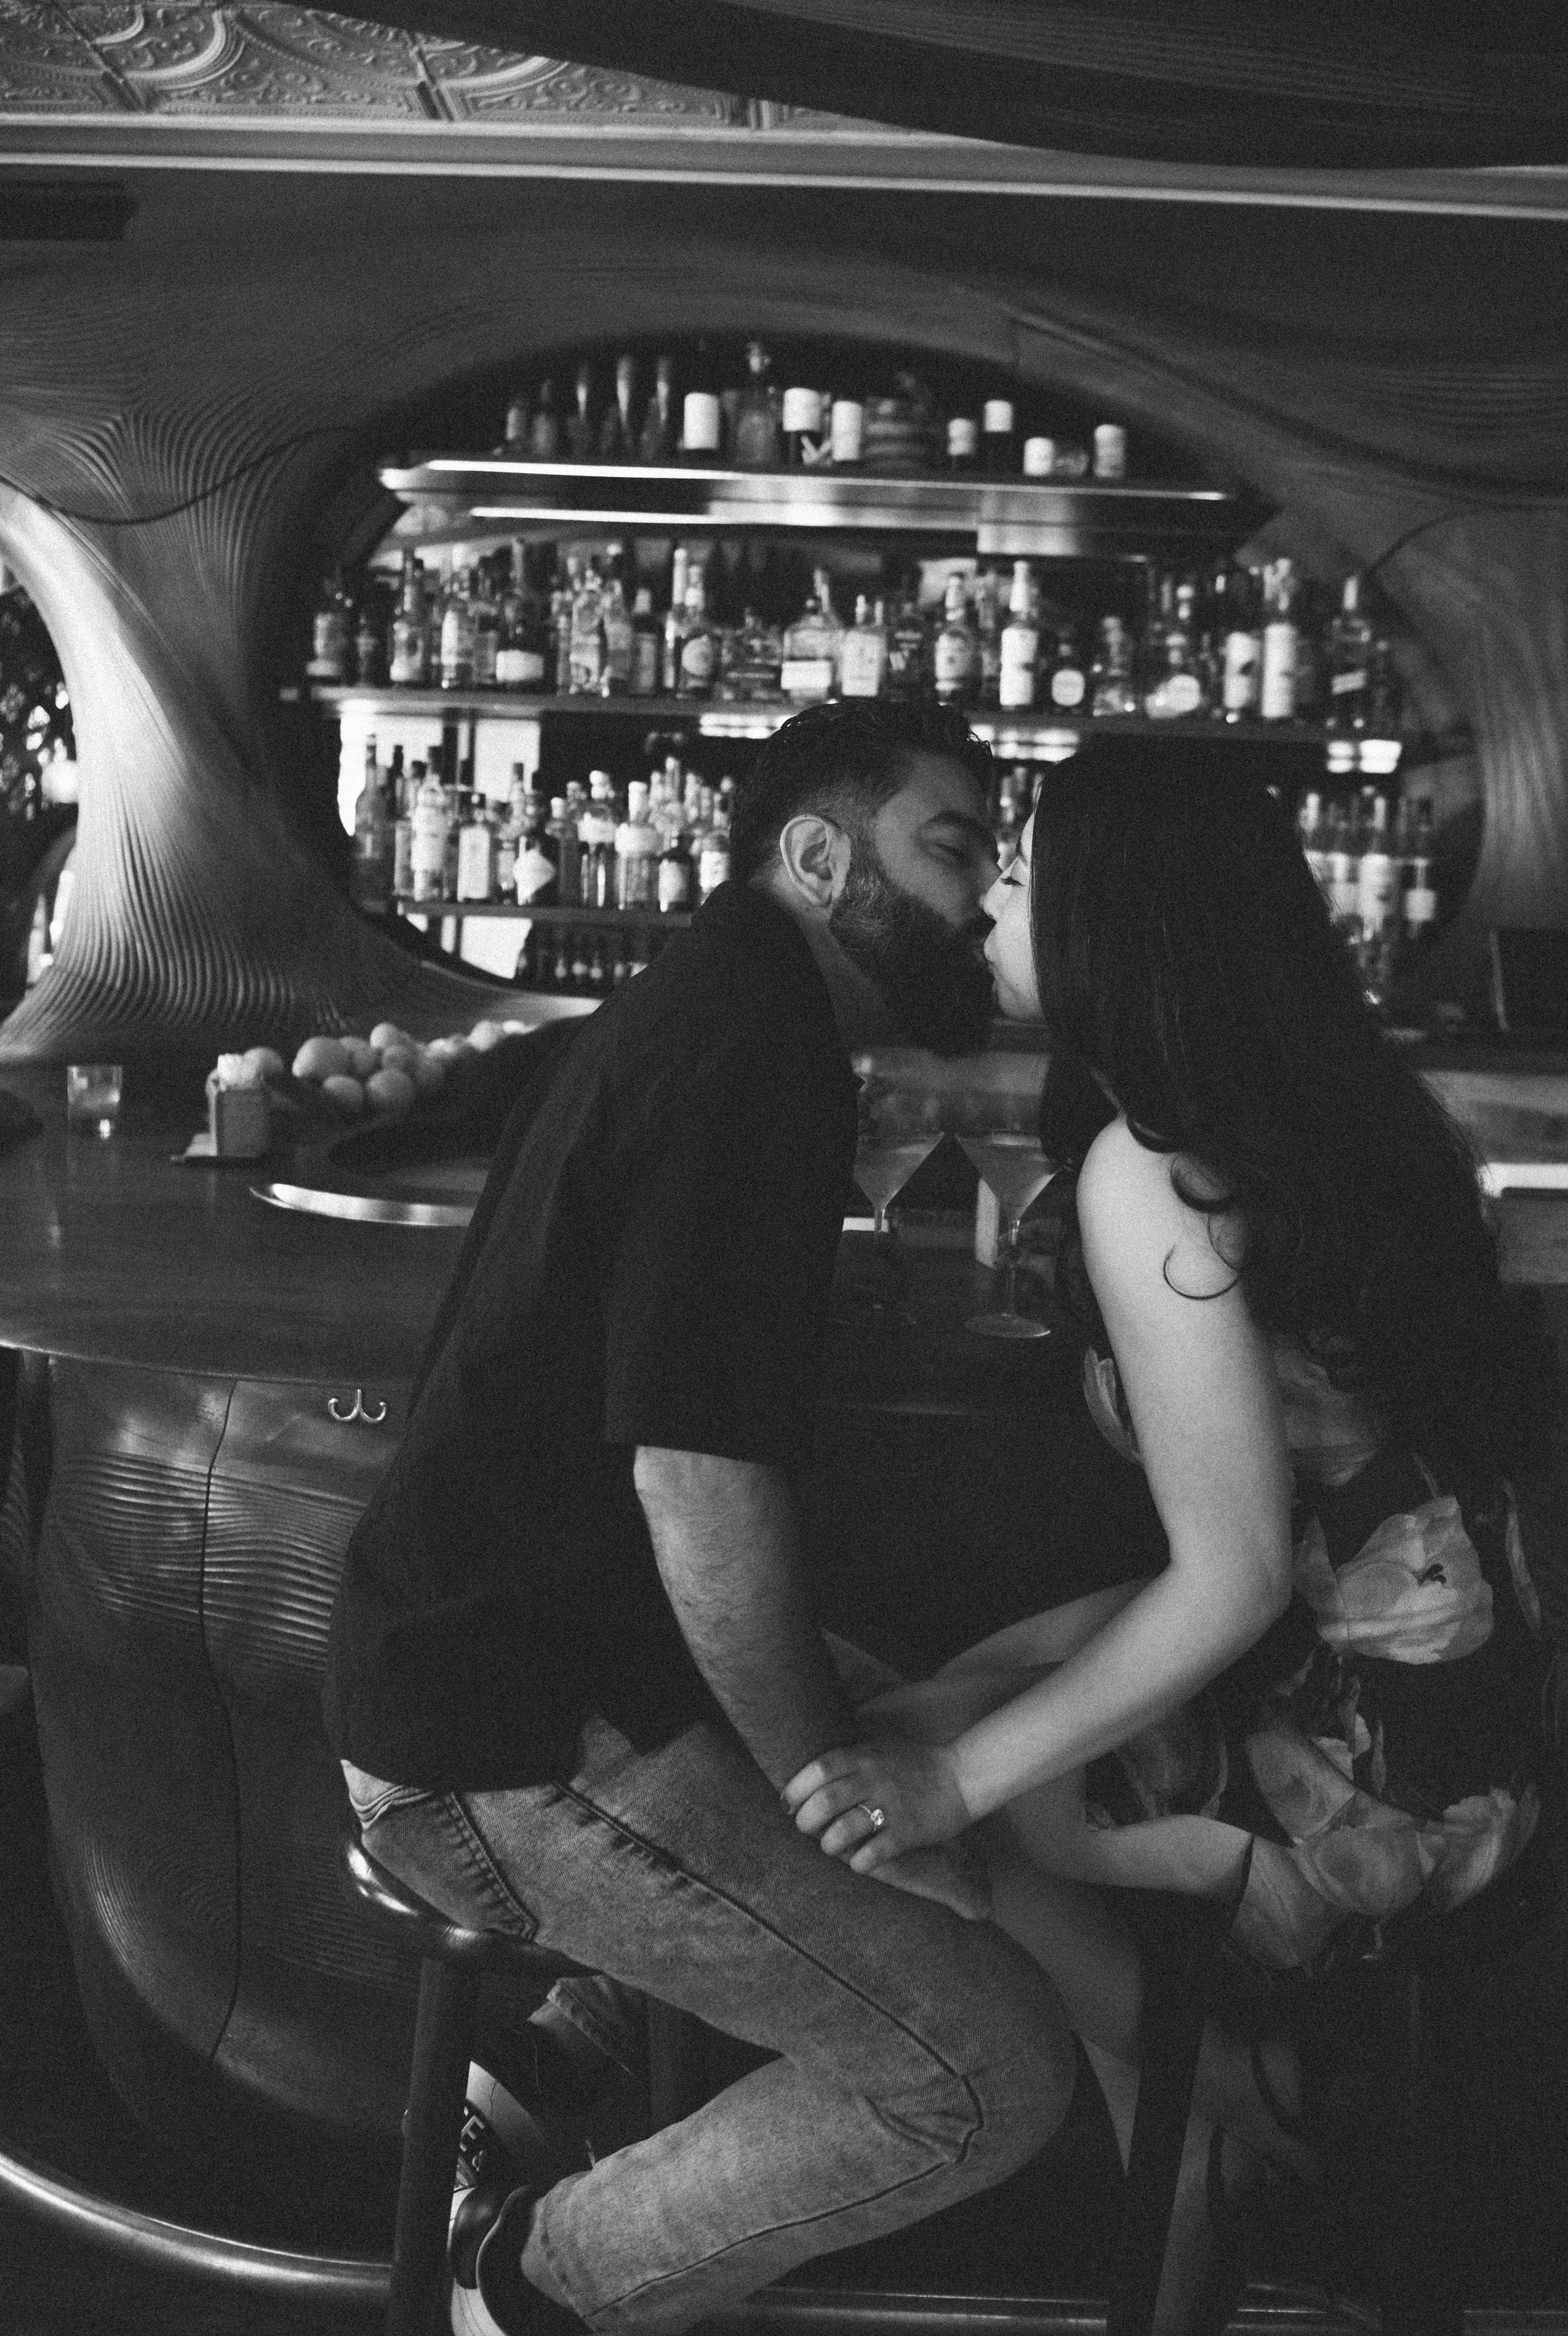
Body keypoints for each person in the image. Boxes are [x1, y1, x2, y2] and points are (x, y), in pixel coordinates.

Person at [322, 699, 1081, 2336]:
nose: (978, 897)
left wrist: (855, 1761)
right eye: (949, 849)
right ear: (816, 854)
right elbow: (698, 1483)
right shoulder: (755, 1045)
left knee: (945, 1728)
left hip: (520, 1672)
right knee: (987, 2071)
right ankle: (531, 2285)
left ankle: (548, 2056)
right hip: (504, 1741)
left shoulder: (715, 1000)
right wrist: (839, 1797)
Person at [786, 747, 1550, 2332]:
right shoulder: (1348, 1119)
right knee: (925, 1719)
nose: (985, 896)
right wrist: (988, 1686)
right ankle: (1201, 2122)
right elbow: (1311, 1533)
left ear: (1106, 920)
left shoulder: (1155, 1170)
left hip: (1363, 1776)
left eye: (1016, 872)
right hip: (1459, 1709)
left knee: (916, 1797)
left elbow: (1240, 1574)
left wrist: (951, 1769)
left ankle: (1221, 2100)